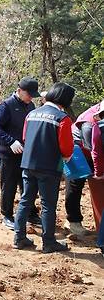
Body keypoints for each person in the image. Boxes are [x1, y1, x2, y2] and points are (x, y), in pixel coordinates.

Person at [13, 82, 75, 253]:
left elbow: (25, 137)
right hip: (49, 167)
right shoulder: (62, 118)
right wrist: (67, 159)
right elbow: (66, 148)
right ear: (65, 100)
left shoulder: (31, 114)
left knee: (25, 200)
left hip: (28, 164)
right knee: (48, 204)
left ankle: (19, 238)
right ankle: (49, 242)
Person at [0, 77, 42, 230]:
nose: (31, 98)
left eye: (33, 95)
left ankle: (31, 213)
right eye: (29, 94)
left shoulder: (31, 105)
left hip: (26, 153)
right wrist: (11, 141)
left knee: (27, 184)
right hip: (9, 154)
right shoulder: (6, 105)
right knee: (9, 185)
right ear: (19, 91)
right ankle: (6, 215)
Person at [69, 100, 104, 237]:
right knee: (75, 184)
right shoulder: (89, 124)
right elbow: (94, 151)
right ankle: (73, 221)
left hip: (92, 149)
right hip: (77, 149)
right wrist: (98, 172)